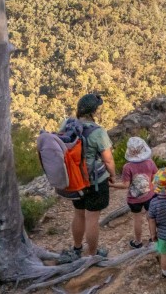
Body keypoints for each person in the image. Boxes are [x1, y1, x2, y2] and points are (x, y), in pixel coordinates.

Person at [63, 92, 117, 261]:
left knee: (78, 214)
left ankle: (77, 248)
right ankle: (92, 255)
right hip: (94, 181)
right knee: (92, 218)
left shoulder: (67, 125)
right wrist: (112, 175)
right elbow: (108, 159)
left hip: (75, 180)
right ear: (93, 111)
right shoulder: (98, 132)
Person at [119, 136, 158, 249]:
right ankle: (153, 238)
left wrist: (111, 184)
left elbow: (126, 185)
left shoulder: (127, 167)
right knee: (151, 217)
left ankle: (138, 242)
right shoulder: (150, 162)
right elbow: (156, 176)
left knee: (137, 219)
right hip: (150, 194)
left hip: (134, 199)